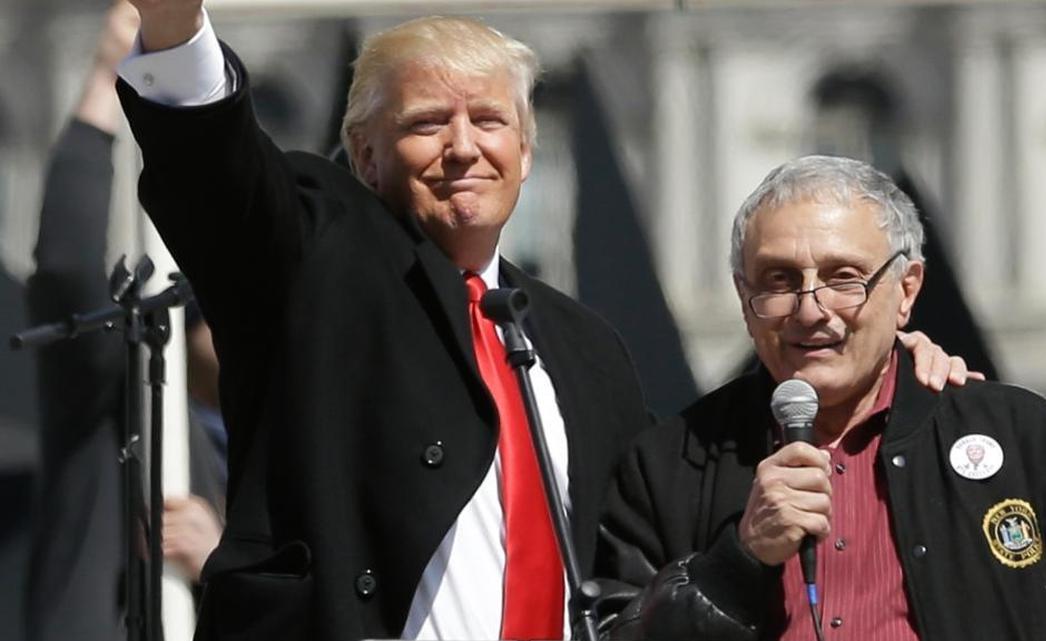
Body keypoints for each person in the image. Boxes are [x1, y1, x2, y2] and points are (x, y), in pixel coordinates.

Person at [114, 4, 974, 639]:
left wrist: (876, 364)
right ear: (367, 154)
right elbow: (224, 184)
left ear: (527, 151)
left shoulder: (581, 345)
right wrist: (175, 23)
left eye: (489, 120)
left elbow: (687, 488)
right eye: (425, 123)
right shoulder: (319, 260)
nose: (463, 146)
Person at [596, 155, 1046, 641]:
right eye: (780, 280)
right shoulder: (669, 462)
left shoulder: (1017, 436)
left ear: (906, 292)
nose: (811, 309)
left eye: (844, 278)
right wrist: (739, 560)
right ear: (745, 297)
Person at [24, 4, 224, 640]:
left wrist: (219, 561)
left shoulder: (283, 439)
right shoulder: (122, 400)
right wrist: (109, 72)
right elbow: (67, 264)